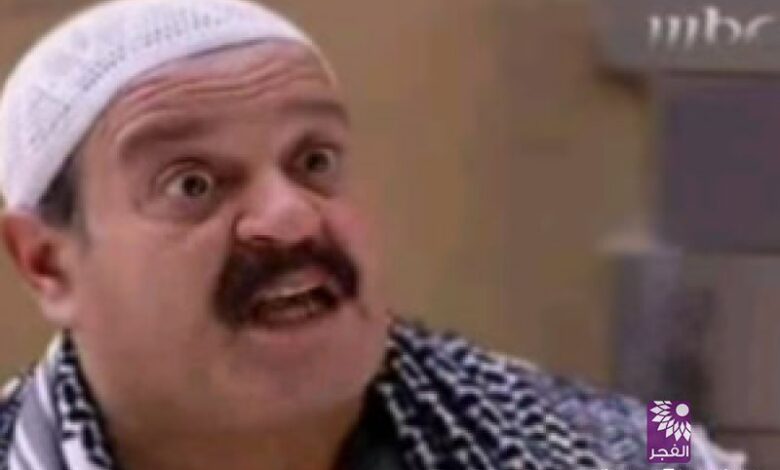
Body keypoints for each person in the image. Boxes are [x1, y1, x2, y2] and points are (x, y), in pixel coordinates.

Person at [0, 1, 745, 469]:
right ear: (47, 263)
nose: (290, 218)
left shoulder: (626, 442)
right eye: (192, 184)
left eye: (314, 162)